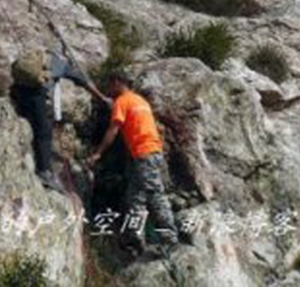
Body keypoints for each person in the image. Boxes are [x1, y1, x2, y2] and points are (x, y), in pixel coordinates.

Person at [86, 72, 180, 252]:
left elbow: (113, 130)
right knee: (134, 197)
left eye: (109, 83)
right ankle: (135, 239)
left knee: (154, 194)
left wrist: (97, 153)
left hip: (143, 153)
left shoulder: (122, 101)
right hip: (150, 152)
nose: (108, 88)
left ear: (117, 81)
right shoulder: (140, 101)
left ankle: (170, 239)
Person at [10, 49, 108, 193]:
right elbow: (81, 80)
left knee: (32, 121)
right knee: (44, 132)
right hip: (37, 94)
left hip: (19, 91)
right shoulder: (62, 65)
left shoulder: (40, 59)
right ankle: (44, 172)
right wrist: (101, 97)